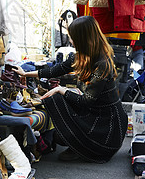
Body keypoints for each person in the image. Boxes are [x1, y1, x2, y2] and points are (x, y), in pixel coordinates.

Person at [13, 16, 128, 163]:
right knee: (58, 128)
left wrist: (61, 90)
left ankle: (81, 147)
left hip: (107, 130)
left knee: (56, 102)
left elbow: (85, 101)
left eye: (72, 38)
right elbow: (54, 70)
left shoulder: (102, 64)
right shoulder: (80, 57)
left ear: (83, 39)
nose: (71, 41)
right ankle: (75, 146)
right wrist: (25, 73)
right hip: (94, 116)